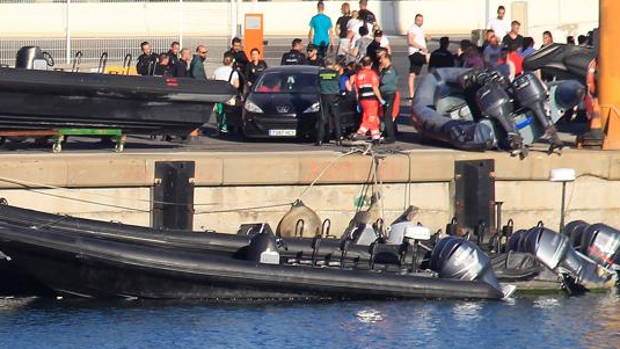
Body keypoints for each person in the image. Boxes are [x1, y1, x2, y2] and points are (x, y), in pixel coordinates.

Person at [350, 56, 384, 145]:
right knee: (371, 118)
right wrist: (380, 99)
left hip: (362, 99)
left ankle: (376, 138)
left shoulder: (358, 75)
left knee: (370, 117)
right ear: (371, 64)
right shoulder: (372, 74)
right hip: (371, 100)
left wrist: (358, 102)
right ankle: (360, 132)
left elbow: (356, 90)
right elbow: (375, 88)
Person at [316, 57, 343, 146]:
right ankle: (338, 139)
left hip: (323, 96)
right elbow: (340, 85)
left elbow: (318, 84)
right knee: (336, 119)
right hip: (334, 97)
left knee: (323, 118)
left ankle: (319, 140)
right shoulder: (335, 74)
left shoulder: (320, 73)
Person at [212, 53, 240, 134]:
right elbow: (236, 85)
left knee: (220, 111)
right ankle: (227, 126)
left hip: (219, 95)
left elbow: (213, 82)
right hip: (229, 95)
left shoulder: (217, 71)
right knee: (230, 111)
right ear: (232, 62)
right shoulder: (233, 72)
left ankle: (219, 127)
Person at [407, 14, 429, 100]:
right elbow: (410, 41)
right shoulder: (413, 28)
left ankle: (411, 95)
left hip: (417, 53)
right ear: (415, 20)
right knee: (433, 59)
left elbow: (418, 39)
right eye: (418, 20)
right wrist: (422, 48)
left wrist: (426, 39)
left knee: (412, 74)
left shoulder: (420, 29)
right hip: (416, 53)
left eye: (421, 20)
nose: (420, 22)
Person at [379, 54, 397, 144]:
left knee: (387, 116)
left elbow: (383, 81)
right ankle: (386, 133)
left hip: (389, 94)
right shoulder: (385, 70)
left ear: (386, 59)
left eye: (381, 59)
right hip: (384, 94)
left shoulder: (390, 70)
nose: (380, 61)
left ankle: (391, 137)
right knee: (385, 115)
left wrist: (380, 74)